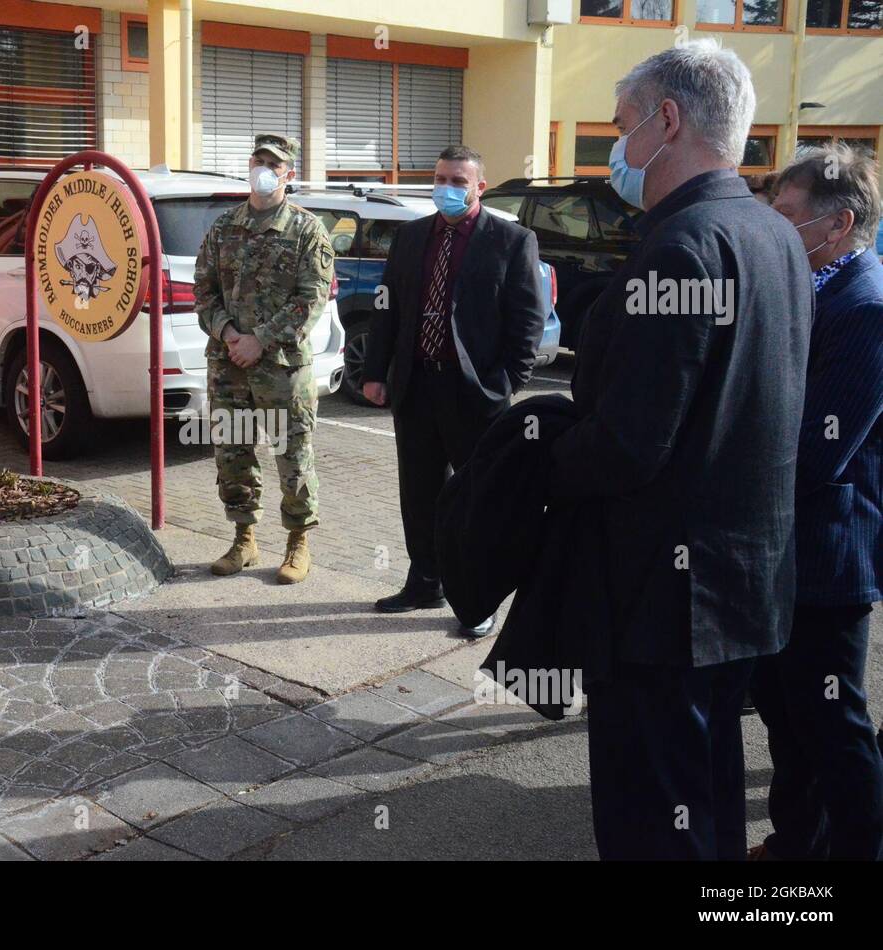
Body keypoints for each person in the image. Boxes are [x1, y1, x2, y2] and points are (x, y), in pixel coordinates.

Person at [545, 40, 813, 859]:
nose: (616, 151)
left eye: (620, 128)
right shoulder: (774, 236)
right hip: (740, 592)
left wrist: (536, 455)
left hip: (663, 606)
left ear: (668, 121)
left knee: (655, 817)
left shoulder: (680, 249)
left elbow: (628, 447)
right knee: (706, 799)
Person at [751, 143, 883, 860]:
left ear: (839, 224)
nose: (776, 224)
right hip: (784, 552)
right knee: (786, 716)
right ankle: (797, 846)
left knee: (834, 725)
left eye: (789, 214)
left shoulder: (866, 304)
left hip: (828, 560)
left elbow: (819, 447)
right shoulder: (812, 284)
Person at [361, 145, 547, 637]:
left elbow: (528, 319)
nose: (447, 187)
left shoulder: (511, 240)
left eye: (458, 180)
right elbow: (388, 308)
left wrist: (505, 381)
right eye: (440, 177)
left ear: (479, 186)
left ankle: (477, 596)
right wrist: (375, 372)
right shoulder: (410, 236)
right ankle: (425, 579)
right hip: (416, 386)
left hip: (476, 393)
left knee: (478, 497)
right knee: (418, 493)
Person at [194, 133, 334, 584]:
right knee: (233, 455)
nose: (264, 168)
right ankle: (244, 540)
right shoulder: (223, 228)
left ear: (289, 174)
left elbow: (309, 301)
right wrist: (230, 333)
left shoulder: (307, 230)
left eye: (274, 163)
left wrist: (261, 340)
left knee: (291, 456)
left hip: (280, 370)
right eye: (258, 160)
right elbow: (203, 290)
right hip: (228, 364)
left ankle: (298, 543)